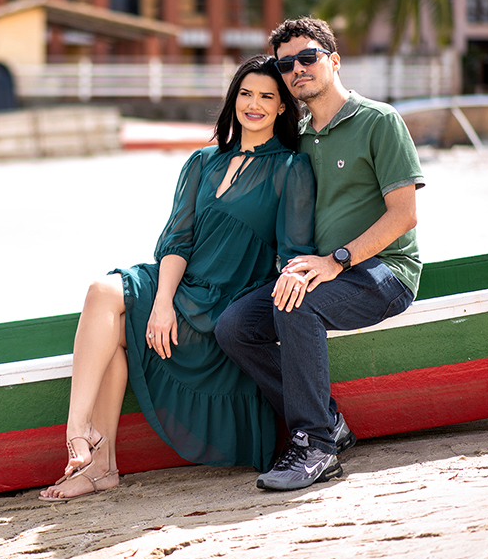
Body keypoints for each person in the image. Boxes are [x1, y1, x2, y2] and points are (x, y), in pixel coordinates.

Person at [40, 55, 316, 500]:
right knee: (105, 298)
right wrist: (163, 304)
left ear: (283, 107)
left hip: (224, 303)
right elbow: (177, 240)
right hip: (179, 288)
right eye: (246, 93)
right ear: (233, 99)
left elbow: (291, 254)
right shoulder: (202, 161)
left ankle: (85, 445)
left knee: (110, 315)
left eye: (268, 96)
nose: (255, 104)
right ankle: (98, 461)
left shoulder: (291, 169)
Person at [215, 17, 424, 492]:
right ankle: (329, 421)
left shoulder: (379, 120)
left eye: (307, 58)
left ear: (333, 60)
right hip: (321, 272)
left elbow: (404, 216)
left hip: (383, 273)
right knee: (234, 327)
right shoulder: (298, 136)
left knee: (298, 301)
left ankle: (315, 447)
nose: (296, 70)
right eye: (286, 64)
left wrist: (336, 261)